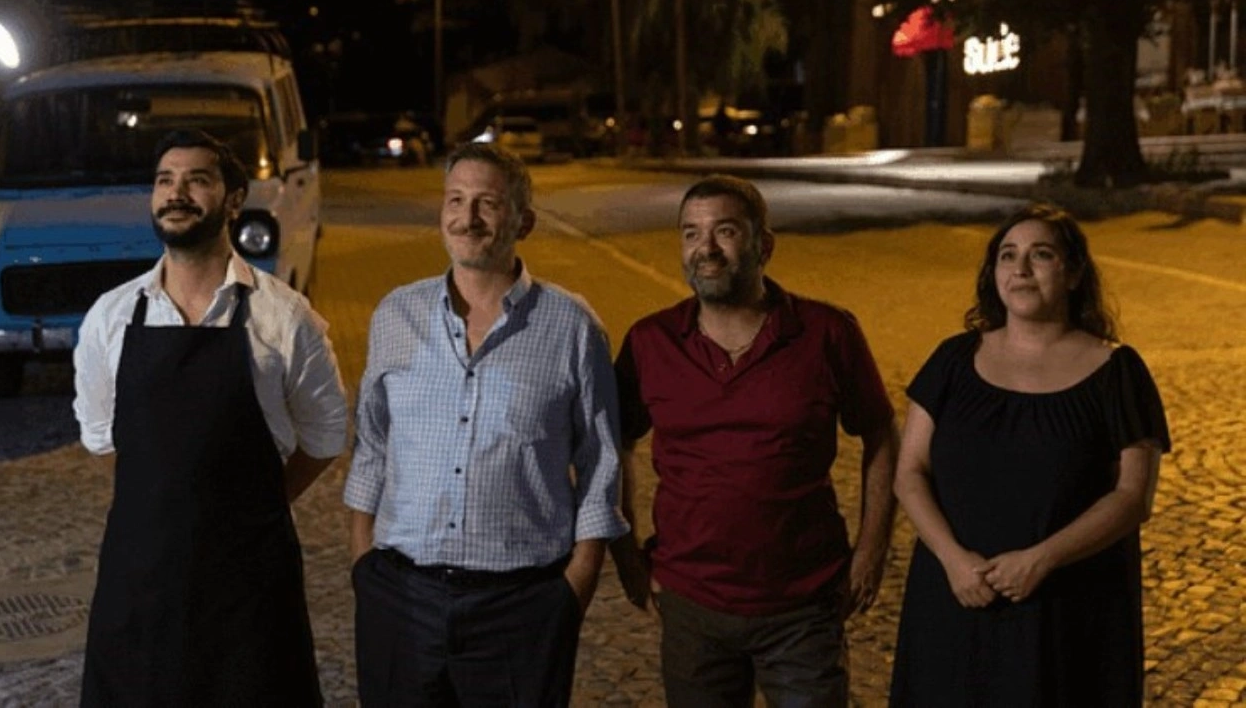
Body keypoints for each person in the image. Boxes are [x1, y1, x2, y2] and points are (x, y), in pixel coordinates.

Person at [344, 141, 629, 706]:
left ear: (524, 221)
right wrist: (362, 564)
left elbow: (601, 460)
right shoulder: (395, 314)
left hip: (521, 606)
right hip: (400, 599)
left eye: (487, 203)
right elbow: (372, 444)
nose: (467, 218)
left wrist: (573, 588)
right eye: (455, 199)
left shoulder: (571, 327)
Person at [73, 129, 347, 707]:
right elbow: (101, 438)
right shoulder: (110, 317)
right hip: (140, 581)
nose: (177, 193)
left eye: (197, 180)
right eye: (165, 181)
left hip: (249, 584)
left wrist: (257, 505)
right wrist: (162, 507)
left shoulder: (284, 318)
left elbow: (325, 436)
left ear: (233, 199)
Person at [611, 174, 899, 708]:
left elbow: (880, 434)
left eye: (725, 231)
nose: (706, 249)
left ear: (763, 245)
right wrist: (627, 555)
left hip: (803, 604)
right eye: (691, 234)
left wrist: (871, 550)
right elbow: (615, 444)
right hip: (691, 604)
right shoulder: (651, 341)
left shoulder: (826, 332)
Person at [889, 202, 1169, 706]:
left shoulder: (1118, 373)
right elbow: (910, 472)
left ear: (1074, 273)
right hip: (954, 597)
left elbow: (1132, 498)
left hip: (1068, 612)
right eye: (1007, 255)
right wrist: (953, 559)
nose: (1020, 268)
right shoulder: (953, 360)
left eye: (1041, 255)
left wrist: (1042, 560)